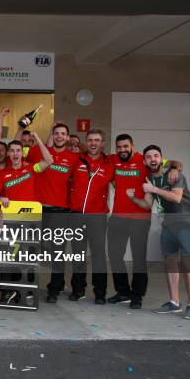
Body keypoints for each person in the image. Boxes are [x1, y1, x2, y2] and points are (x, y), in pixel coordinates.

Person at [107, 134, 181, 309]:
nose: (122, 149)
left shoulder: (145, 160)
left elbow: (175, 163)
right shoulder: (113, 159)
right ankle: (123, 291)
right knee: (114, 255)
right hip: (117, 216)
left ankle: (137, 295)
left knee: (139, 258)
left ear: (133, 146)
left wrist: (175, 169)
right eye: (119, 147)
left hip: (140, 218)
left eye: (126, 146)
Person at [0, 135, 53, 303]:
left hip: (31, 220)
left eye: (18, 150)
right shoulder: (3, 173)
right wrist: (0, 199)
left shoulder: (32, 168)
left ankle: (29, 289)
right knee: (13, 255)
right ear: (8, 154)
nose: (15, 154)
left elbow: (49, 160)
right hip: (11, 221)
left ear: (22, 152)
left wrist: (38, 140)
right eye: (12, 151)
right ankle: (13, 290)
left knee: (30, 255)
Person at [141, 145, 190, 320]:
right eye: (149, 157)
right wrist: (132, 197)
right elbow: (147, 204)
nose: (153, 159)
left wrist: (153, 190)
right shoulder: (150, 178)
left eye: (156, 156)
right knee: (170, 262)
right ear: (145, 161)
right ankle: (174, 302)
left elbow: (176, 197)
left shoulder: (174, 175)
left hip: (187, 223)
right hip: (168, 224)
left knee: (188, 262)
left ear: (162, 159)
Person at [27, 122, 80, 303]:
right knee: (32, 250)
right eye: (56, 133)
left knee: (58, 252)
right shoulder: (36, 152)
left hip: (60, 211)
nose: (59, 136)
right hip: (37, 210)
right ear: (52, 134)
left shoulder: (73, 158)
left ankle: (54, 290)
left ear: (68, 137)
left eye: (63, 134)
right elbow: (16, 153)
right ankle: (29, 286)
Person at [68, 129, 114, 304]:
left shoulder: (110, 164)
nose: (93, 143)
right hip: (76, 215)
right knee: (78, 255)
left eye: (97, 140)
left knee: (98, 256)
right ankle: (78, 290)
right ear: (86, 143)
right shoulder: (76, 160)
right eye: (90, 140)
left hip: (97, 217)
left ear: (102, 143)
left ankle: (100, 293)